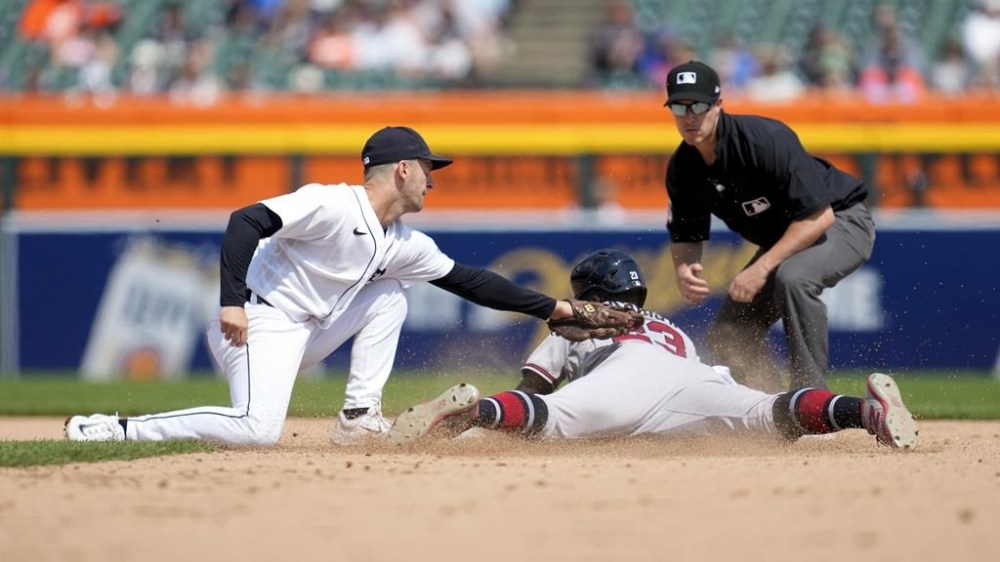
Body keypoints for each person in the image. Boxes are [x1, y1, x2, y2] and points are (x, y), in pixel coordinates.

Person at [65, 126, 612, 447]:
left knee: (389, 295)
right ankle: (114, 428)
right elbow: (244, 220)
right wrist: (231, 302)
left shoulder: (403, 241)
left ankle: (357, 418)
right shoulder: (331, 202)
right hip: (259, 323)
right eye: (427, 168)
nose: (433, 178)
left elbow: (469, 281)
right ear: (401, 170)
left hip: (311, 330)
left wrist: (558, 308)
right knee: (258, 431)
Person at [387, 249, 918, 451]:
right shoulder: (667, 326)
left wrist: (499, 415)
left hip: (626, 377)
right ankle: (864, 412)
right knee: (770, 414)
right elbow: (666, 397)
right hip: (693, 374)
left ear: (589, 296)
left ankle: (468, 411)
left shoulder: (575, 326)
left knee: (547, 421)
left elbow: (534, 389)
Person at [661, 60, 875, 393]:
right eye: (679, 106)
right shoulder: (683, 169)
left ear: (718, 104)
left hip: (841, 219)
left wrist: (761, 267)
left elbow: (819, 218)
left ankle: (811, 400)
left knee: (794, 278)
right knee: (730, 331)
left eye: (699, 105)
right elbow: (686, 235)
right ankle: (772, 407)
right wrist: (685, 269)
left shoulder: (764, 141)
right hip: (787, 237)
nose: (689, 115)